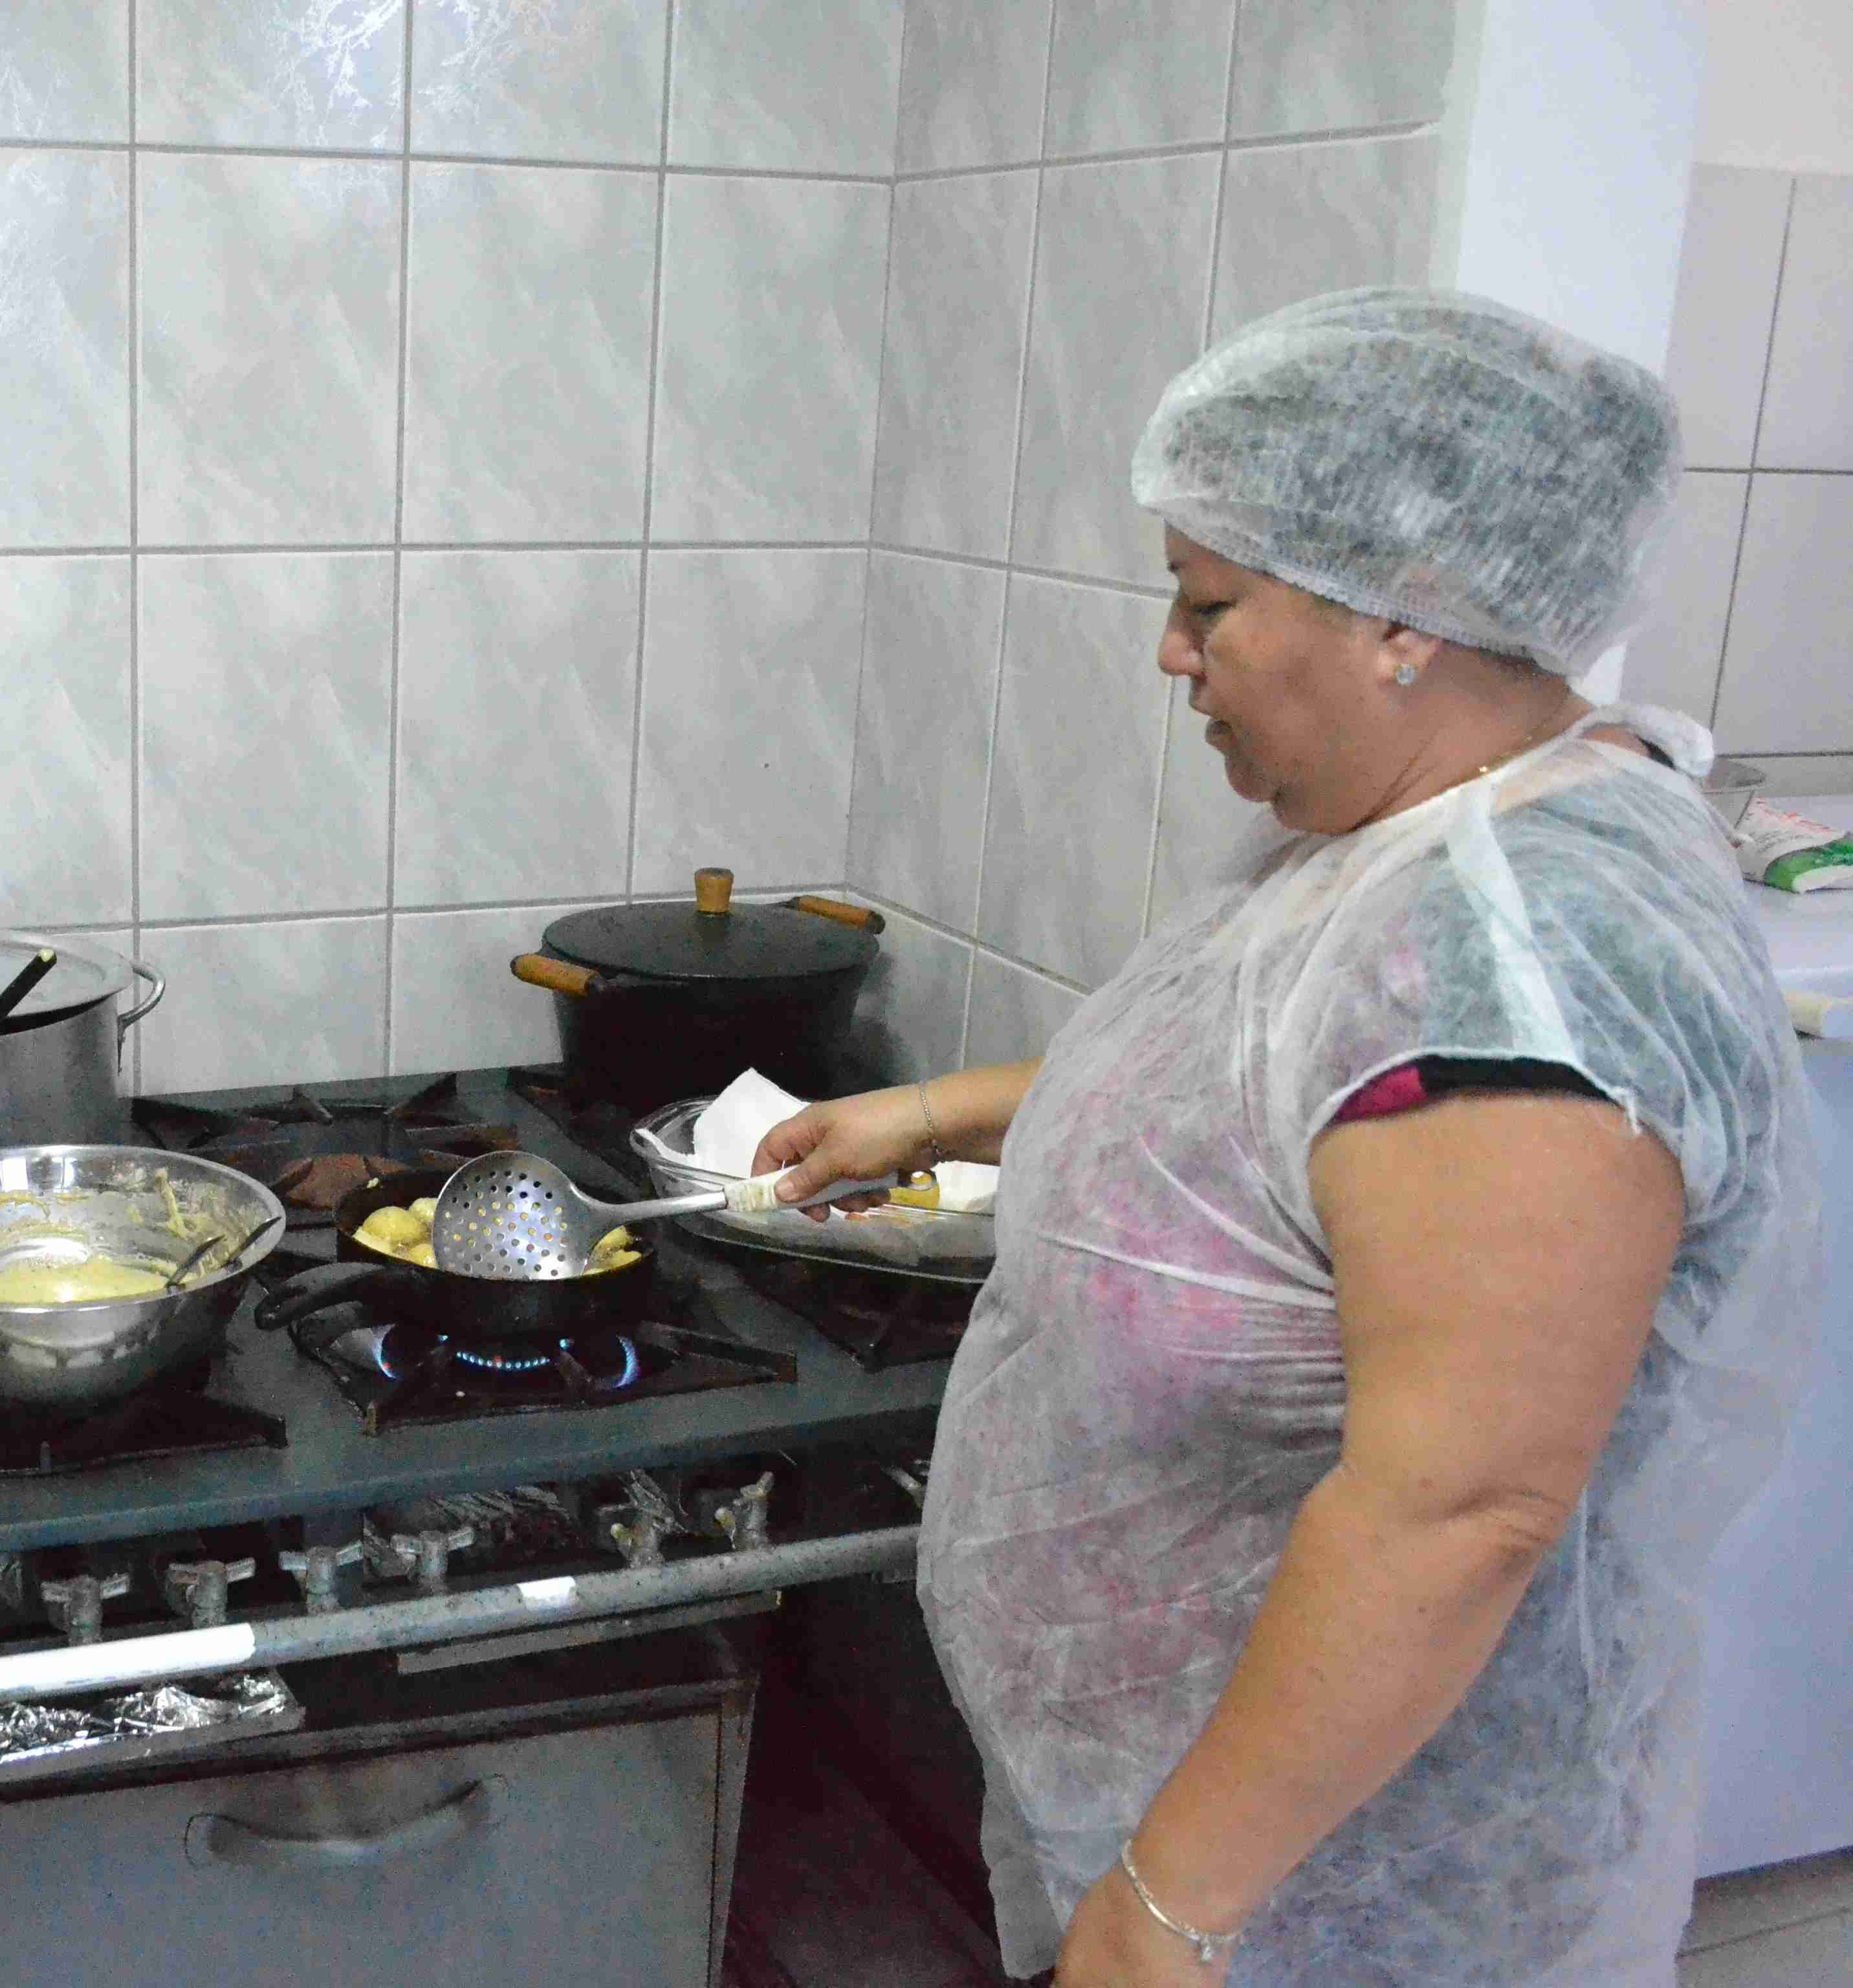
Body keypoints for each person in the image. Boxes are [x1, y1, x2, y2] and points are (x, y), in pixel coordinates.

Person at [756, 290, 1816, 1987]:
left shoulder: (1525, 972)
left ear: (1405, 615)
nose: (1174, 653)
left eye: (1209, 604)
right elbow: (1260, 1082)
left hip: (1340, 1898)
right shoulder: (1412, 835)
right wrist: (939, 1108)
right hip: (1211, 1839)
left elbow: (1459, 1504)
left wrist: (1171, 1910)